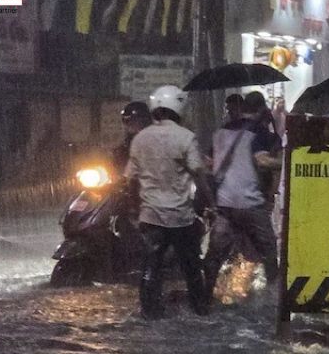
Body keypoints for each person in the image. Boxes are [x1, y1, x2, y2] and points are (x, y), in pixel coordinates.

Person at [125, 85, 215, 318]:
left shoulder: (140, 139)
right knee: (192, 266)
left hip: (151, 216)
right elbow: (199, 174)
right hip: (180, 217)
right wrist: (211, 203)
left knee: (151, 266)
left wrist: (135, 209)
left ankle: (149, 311)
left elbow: (130, 179)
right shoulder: (186, 137)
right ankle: (200, 309)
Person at [202, 91, 282, 306]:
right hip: (250, 204)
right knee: (269, 252)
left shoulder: (220, 133)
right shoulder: (258, 131)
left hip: (225, 204)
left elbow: (208, 163)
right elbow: (263, 161)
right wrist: (290, 162)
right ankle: (273, 302)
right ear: (260, 110)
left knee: (215, 255)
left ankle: (205, 298)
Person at [113, 101, 153, 177]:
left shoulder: (153, 140)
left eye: (131, 121)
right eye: (126, 121)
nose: (129, 125)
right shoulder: (126, 145)